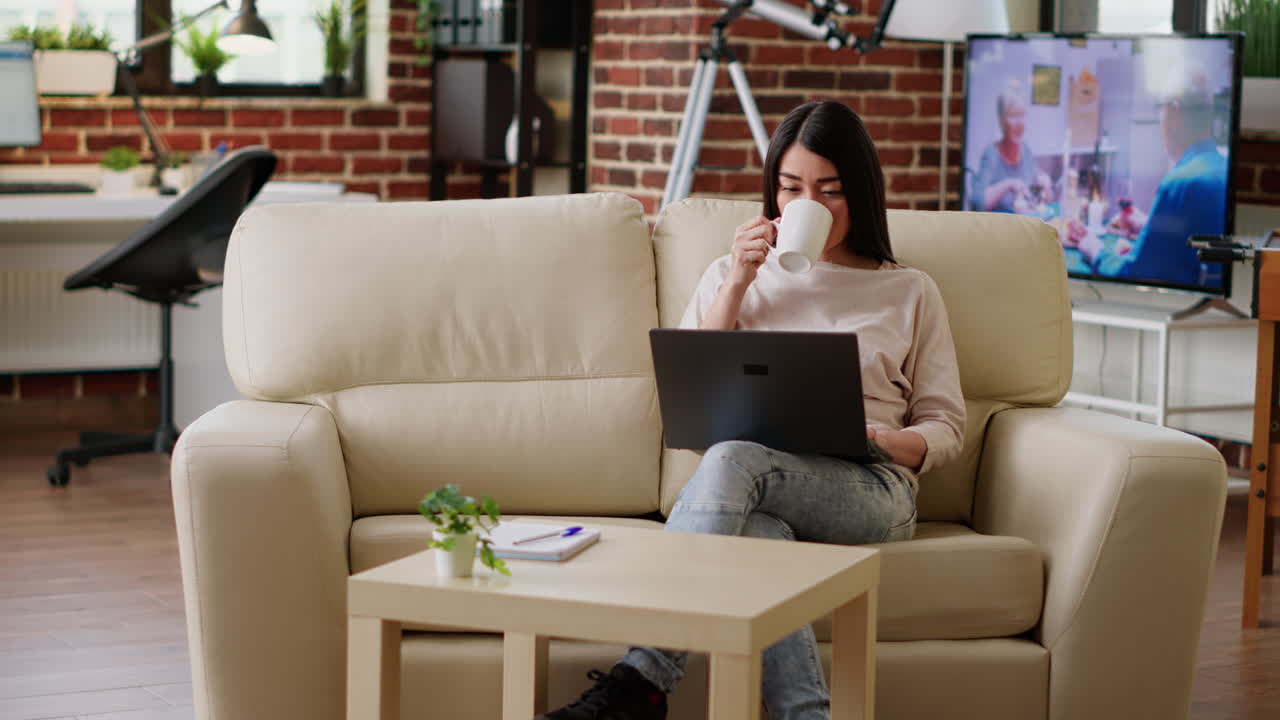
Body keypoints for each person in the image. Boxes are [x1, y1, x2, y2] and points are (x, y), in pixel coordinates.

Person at [534, 101, 965, 720]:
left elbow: (946, 425)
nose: (808, 205)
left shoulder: (910, 290)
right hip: (759, 485)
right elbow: (691, 392)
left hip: (873, 485)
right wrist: (738, 278)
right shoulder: (731, 274)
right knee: (757, 535)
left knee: (736, 460)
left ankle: (640, 685)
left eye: (830, 191)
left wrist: (884, 439)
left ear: (862, 192)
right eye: (790, 189)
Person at [1065, 65, 1228, 287]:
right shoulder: (1222, 169)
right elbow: (1190, 240)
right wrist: (1148, 225)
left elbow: (1135, 272)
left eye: (1160, 109)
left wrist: (1093, 247)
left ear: (1174, 113)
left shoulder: (1180, 183)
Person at [969, 80, 1053, 213]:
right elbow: (977, 203)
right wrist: (1008, 184)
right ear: (1001, 121)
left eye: (1022, 115)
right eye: (1013, 116)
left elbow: (1041, 199)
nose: (1019, 123)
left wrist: (1045, 186)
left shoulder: (1025, 151)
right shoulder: (991, 154)